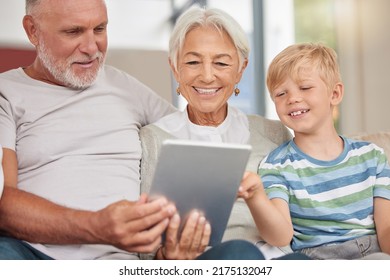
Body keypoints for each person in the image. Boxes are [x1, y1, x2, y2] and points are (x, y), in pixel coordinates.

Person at [0, 0, 263, 260]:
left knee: (241, 254)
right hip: (32, 254)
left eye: (100, 29)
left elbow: (193, 132)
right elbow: (3, 205)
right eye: (73, 31)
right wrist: (97, 226)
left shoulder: (124, 86)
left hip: (124, 264)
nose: (92, 47)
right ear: (32, 30)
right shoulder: (6, 94)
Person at [139, 6, 310, 260]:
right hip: (210, 262)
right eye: (193, 62)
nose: (207, 76)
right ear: (175, 69)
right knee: (242, 252)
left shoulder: (273, 133)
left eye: (221, 63)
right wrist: (166, 255)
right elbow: (143, 246)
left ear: (241, 69)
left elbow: (299, 224)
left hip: (277, 260)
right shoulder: (152, 141)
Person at [238, 42, 390, 259]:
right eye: (281, 94)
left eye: (305, 87)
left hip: (371, 253)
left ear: (335, 94)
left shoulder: (372, 157)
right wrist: (256, 198)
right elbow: (280, 237)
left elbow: (386, 232)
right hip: (315, 259)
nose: (292, 98)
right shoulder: (276, 165)